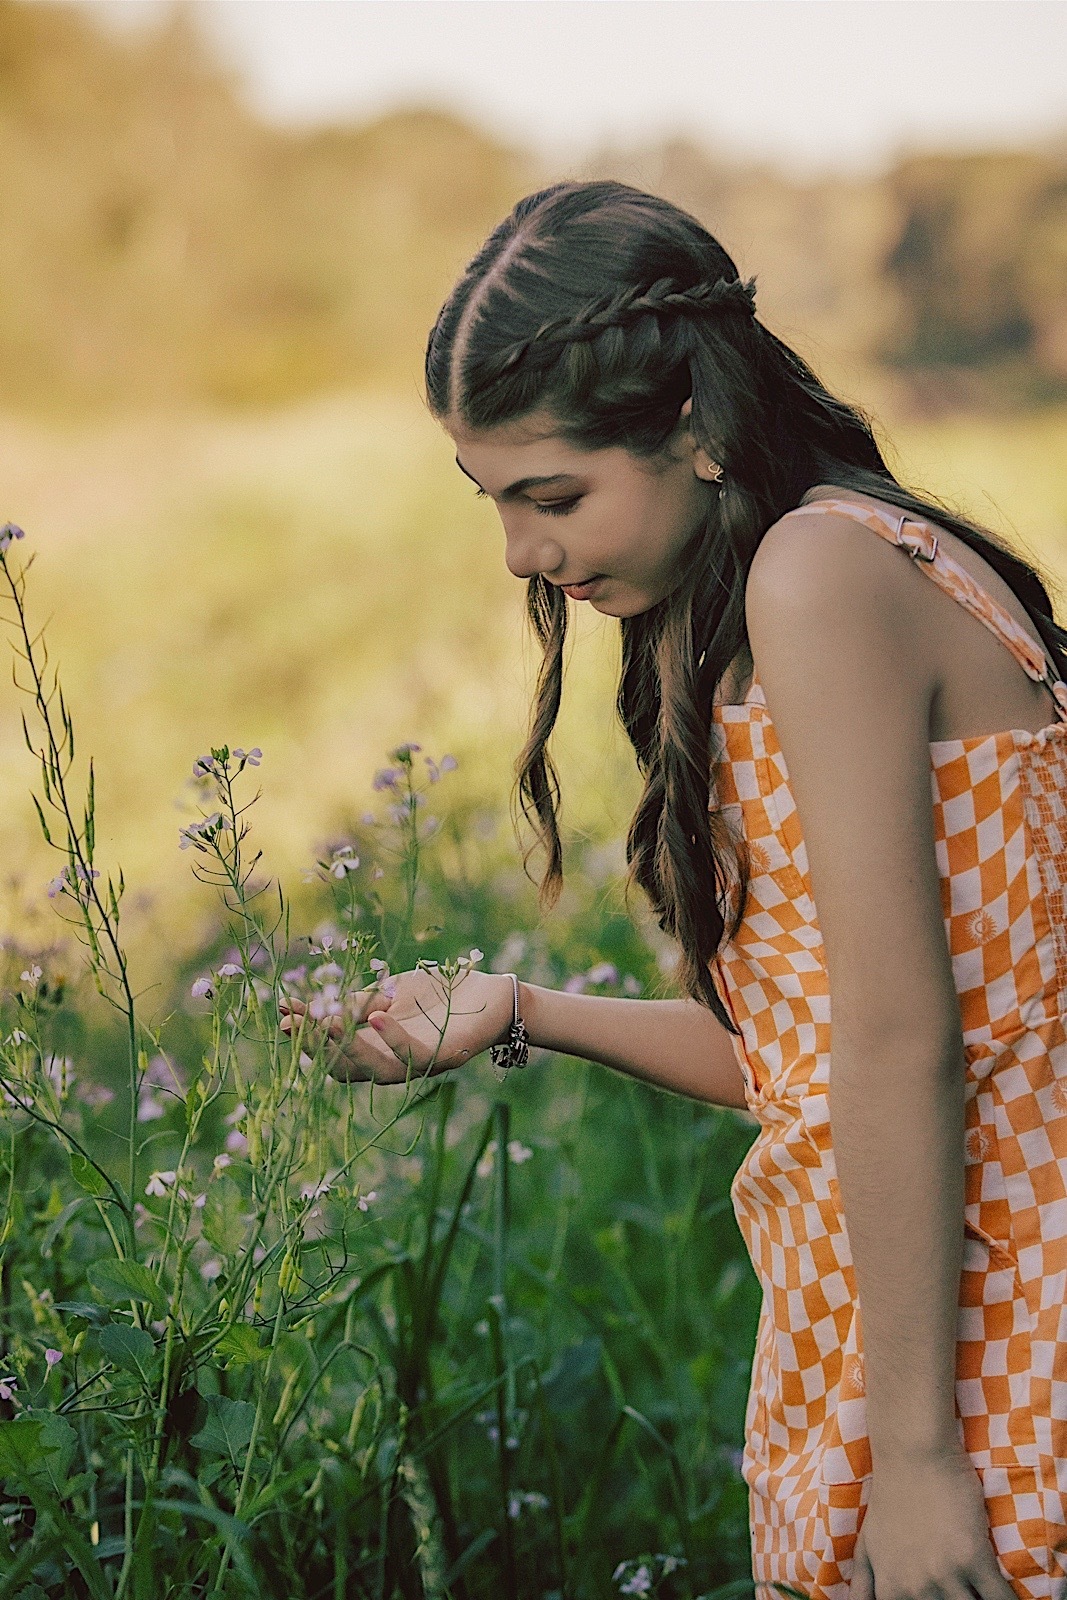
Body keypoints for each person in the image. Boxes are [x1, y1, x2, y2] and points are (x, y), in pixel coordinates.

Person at [281, 180, 1067, 1600]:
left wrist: (921, 1459)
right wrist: (517, 1010)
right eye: (494, 501)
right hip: (920, 1324)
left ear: (695, 429)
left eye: (553, 494)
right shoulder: (840, 559)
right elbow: (818, 1059)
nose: (521, 552)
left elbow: (903, 1046)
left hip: (987, 1339)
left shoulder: (817, 576)